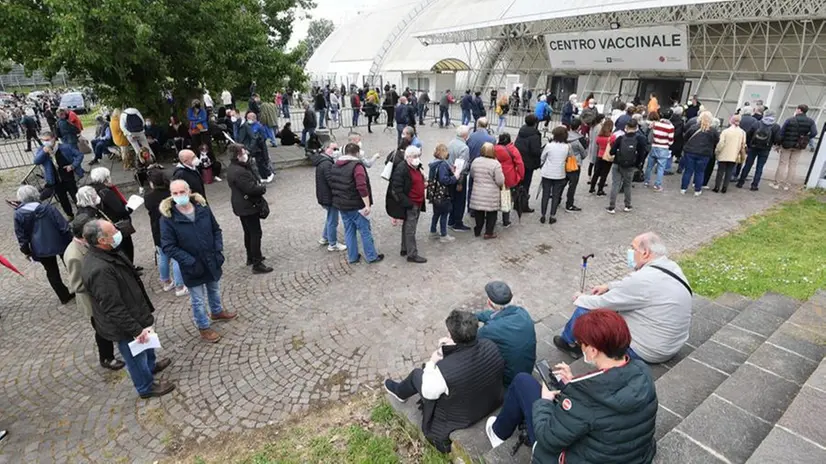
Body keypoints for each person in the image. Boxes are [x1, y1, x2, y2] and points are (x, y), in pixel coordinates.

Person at [486, 310, 657, 463]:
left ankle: (498, 433)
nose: (580, 345)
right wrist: (571, 383)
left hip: (575, 456)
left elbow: (548, 438)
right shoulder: (642, 372)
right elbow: (606, 397)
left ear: (592, 350)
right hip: (634, 456)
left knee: (523, 381)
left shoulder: (584, 399)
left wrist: (545, 401)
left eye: (582, 343)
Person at [554, 232, 691, 364]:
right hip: (671, 345)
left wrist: (580, 298)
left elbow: (602, 303)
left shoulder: (644, 279)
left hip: (647, 350)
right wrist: (609, 286)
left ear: (645, 253)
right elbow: (633, 288)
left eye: (633, 248)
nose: (630, 252)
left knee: (586, 310)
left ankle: (569, 342)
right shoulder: (671, 267)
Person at [383, 310, 505, 453]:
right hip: (490, 403)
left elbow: (428, 392)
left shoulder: (443, 372)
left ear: (452, 335)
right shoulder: (490, 345)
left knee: (418, 374)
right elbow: (467, 357)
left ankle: (399, 392)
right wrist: (451, 346)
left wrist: (432, 361)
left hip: (460, 417)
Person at [81, 219, 174, 398]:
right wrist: (135, 329)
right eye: (113, 230)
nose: (117, 231)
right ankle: (145, 387)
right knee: (135, 356)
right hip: (124, 325)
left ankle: (151, 366)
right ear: (102, 241)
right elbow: (113, 307)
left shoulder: (108, 252)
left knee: (146, 346)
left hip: (135, 312)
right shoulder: (99, 269)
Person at [160, 180, 237, 343]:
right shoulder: (168, 218)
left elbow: (216, 230)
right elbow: (168, 246)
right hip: (191, 266)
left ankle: (216, 312)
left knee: (214, 289)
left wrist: (218, 250)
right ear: (171, 195)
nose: (179, 195)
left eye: (182, 192)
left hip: (211, 259)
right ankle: (203, 327)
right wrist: (189, 261)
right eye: (175, 193)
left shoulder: (203, 209)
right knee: (198, 300)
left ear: (189, 191)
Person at [65, 214, 125, 370]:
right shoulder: (74, 255)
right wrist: (101, 285)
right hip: (94, 301)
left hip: (104, 295)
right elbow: (77, 285)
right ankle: (106, 358)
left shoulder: (88, 245)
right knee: (102, 329)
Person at [13, 185, 74, 304]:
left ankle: (64, 296)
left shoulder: (19, 214)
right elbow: (63, 226)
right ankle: (81, 287)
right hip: (60, 242)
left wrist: (26, 251)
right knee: (71, 265)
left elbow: (21, 236)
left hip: (40, 248)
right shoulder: (48, 208)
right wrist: (71, 240)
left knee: (51, 272)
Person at [327, 143, 384, 264]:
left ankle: (352, 257)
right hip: (356, 205)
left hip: (341, 204)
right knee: (365, 231)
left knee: (349, 230)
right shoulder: (357, 166)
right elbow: (362, 187)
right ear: (357, 153)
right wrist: (367, 204)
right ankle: (371, 256)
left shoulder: (336, 165)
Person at [224, 144, 273, 274]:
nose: (246, 154)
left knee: (248, 232)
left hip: (241, 205)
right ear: (238, 155)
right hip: (248, 206)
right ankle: (257, 263)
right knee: (255, 233)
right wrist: (262, 188)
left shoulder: (234, 168)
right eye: (243, 152)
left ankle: (251, 257)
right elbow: (251, 189)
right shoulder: (240, 172)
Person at [475, 281, 535, 387]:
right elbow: (494, 315)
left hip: (509, 378)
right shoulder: (522, 312)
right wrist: (477, 316)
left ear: (489, 303)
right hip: (527, 368)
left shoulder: (490, 329)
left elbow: (471, 340)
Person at [144, 170, 187, 297]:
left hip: (157, 229)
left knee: (163, 255)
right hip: (172, 227)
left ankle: (166, 282)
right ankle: (180, 285)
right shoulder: (170, 194)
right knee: (176, 258)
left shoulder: (148, 196)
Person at [89, 167, 138, 266]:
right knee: (126, 247)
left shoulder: (94, 190)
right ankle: (129, 267)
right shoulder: (106, 192)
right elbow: (120, 210)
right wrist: (129, 209)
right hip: (117, 223)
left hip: (107, 223)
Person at [387, 145, 428, 263]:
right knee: (410, 229)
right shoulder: (402, 169)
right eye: (415, 156)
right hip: (411, 203)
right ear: (408, 157)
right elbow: (397, 189)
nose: (417, 159)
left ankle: (405, 248)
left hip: (417, 201)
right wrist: (408, 203)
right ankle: (412, 254)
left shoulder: (416, 166)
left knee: (407, 227)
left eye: (418, 156)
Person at [33, 131, 84, 219]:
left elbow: (79, 155)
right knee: (63, 199)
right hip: (55, 179)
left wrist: (73, 166)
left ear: (53, 138)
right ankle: (69, 215)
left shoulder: (65, 147)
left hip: (68, 176)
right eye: (43, 140)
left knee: (75, 195)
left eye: (47, 140)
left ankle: (82, 213)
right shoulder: (42, 149)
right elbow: (36, 161)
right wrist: (44, 152)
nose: (45, 142)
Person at [311, 142, 347, 252]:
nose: (336, 151)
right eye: (333, 148)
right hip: (329, 197)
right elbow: (331, 180)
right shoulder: (326, 164)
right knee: (333, 220)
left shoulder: (322, 161)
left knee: (330, 217)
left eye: (337, 148)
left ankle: (325, 237)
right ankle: (333, 244)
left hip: (323, 195)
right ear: (326, 149)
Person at [606, 119, 648, 214]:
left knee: (615, 184)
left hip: (617, 164)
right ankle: (627, 205)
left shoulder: (620, 138)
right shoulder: (639, 139)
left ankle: (612, 207)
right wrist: (637, 164)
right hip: (630, 166)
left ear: (626, 127)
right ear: (636, 128)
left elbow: (611, 152)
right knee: (627, 185)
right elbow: (642, 154)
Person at [773, 104, 818, 190]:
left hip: (786, 145)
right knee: (793, 165)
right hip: (799, 146)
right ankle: (787, 185)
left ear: (799, 110)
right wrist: (806, 138)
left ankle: (777, 183)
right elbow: (814, 132)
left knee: (782, 164)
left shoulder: (790, 120)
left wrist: (778, 144)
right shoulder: (810, 121)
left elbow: (782, 133)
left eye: (797, 109)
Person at [737, 110, 781, 191]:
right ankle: (754, 185)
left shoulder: (757, 123)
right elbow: (778, 139)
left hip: (753, 148)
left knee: (748, 165)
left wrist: (749, 145)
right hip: (765, 149)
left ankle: (740, 182)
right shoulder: (776, 126)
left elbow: (748, 134)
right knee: (759, 167)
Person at [469, 142, 505, 238]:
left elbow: (472, 174)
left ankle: (478, 229)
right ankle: (489, 232)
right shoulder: (496, 164)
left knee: (479, 212)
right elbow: (500, 180)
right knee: (492, 213)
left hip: (478, 192)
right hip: (491, 193)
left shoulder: (476, 161)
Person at [680, 111, 720, 196]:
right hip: (704, 153)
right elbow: (717, 141)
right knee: (700, 172)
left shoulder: (693, 127)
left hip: (690, 151)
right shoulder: (713, 131)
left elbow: (685, 137)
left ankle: (683, 188)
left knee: (688, 171)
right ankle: (697, 190)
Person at [538, 127, 569, 224]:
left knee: (545, 194)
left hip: (547, 172)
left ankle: (543, 214)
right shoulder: (567, 147)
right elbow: (569, 158)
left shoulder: (549, 145)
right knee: (556, 195)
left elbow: (542, 157)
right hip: (559, 174)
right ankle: (552, 215)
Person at [427, 144, 458, 242]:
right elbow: (444, 179)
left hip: (434, 193)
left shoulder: (433, 164)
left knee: (436, 213)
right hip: (443, 193)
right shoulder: (443, 164)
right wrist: (454, 177)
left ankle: (433, 231)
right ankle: (444, 235)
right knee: (444, 213)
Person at [493, 133, 525, 228]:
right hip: (509, 176)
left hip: (496, 175)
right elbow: (520, 164)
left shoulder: (494, 149)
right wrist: (520, 176)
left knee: (494, 197)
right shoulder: (513, 149)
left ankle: (492, 219)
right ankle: (505, 220)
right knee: (506, 197)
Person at [513, 114, 542, 212]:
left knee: (519, 183)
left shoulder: (522, 131)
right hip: (529, 163)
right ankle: (523, 205)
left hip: (519, 160)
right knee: (526, 184)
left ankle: (516, 203)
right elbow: (535, 151)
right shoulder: (535, 135)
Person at [446, 125, 472, 232]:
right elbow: (461, 166)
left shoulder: (451, 143)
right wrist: (460, 182)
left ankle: (451, 220)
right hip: (459, 176)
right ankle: (457, 223)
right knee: (460, 200)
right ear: (465, 135)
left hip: (450, 174)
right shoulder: (464, 148)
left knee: (452, 198)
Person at [713, 115, 747, 193]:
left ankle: (717, 187)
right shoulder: (742, 132)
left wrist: (717, 151)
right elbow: (743, 145)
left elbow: (721, 143)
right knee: (729, 171)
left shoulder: (726, 131)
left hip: (724, 153)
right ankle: (725, 187)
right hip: (734, 154)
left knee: (720, 171)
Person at [237, 112, 274, 183]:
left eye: (249, 118)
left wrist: (258, 141)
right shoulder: (248, 126)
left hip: (259, 147)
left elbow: (263, 137)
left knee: (261, 162)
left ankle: (269, 174)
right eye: (247, 118)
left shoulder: (259, 126)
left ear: (254, 118)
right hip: (253, 147)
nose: (247, 119)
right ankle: (263, 176)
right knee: (258, 162)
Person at [643, 111, 675, 191]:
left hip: (654, 146)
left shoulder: (655, 124)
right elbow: (670, 140)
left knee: (649, 166)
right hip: (664, 148)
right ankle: (657, 185)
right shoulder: (671, 127)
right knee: (661, 167)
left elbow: (651, 135)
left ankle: (646, 181)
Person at [564, 120, 587, 212]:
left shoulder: (564, 135)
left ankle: (556, 200)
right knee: (572, 185)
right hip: (575, 164)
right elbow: (584, 153)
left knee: (562, 183)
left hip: (564, 162)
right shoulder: (580, 139)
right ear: (579, 127)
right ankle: (569, 204)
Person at [588, 119, 615, 196]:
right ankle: (600, 189)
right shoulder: (612, 137)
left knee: (596, 173)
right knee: (604, 174)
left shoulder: (599, 136)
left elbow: (597, 143)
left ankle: (592, 188)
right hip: (607, 157)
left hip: (599, 156)